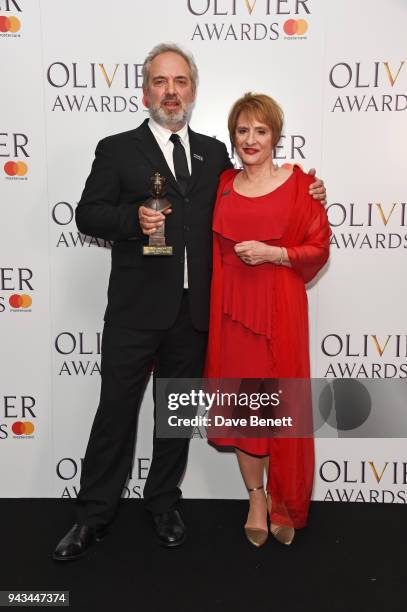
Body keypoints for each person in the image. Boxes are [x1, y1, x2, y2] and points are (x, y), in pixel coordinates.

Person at [53, 44, 326, 561]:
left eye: (180, 82)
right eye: (160, 81)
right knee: (115, 413)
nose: (171, 91)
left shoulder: (213, 156)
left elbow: (258, 196)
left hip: (196, 315)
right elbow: (87, 214)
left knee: (173, 417)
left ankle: (162, 504)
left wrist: (313, 195)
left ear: (193, 93)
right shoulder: (116, 149)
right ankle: (92, 516)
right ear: (145, 91)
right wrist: (132, 219)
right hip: (134, 312)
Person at [205, 93, 330, 547]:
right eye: (242, 131)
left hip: (280, 308)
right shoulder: (220, 183)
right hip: (232, 312)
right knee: (243, 411)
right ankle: (256, 497)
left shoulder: (301, 186)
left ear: (275, 134)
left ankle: (285, 500)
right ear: (233, 136)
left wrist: (276, 253)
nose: (250, 140)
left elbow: (318, 249)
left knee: (282, 409)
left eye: (260, 130)